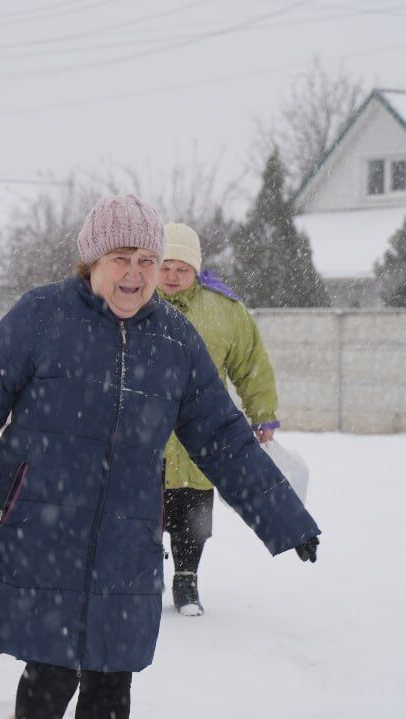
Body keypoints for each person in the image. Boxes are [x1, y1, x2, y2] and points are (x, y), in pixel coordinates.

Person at [0, 195, 322, 719]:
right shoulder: (41, 315)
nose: (134, 274)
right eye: (121, 258)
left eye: (146, 261)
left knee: (112, 684)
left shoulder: (175, 340)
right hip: (39, 535)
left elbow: (224, 437)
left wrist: (285, 517)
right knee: (49, 676)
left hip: (127, 543)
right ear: (91, 261)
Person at [156, 222, 281, 616]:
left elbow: (251, 365)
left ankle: (187, 579)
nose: (173, 276)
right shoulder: (134, 304)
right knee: (142, 510)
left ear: (196, 270)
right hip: (147, 434)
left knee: (193, 513)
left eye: (182, 268)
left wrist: (263, 415)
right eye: (165, 266)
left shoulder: (225, 311)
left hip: (202, 434)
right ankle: (145, 575)